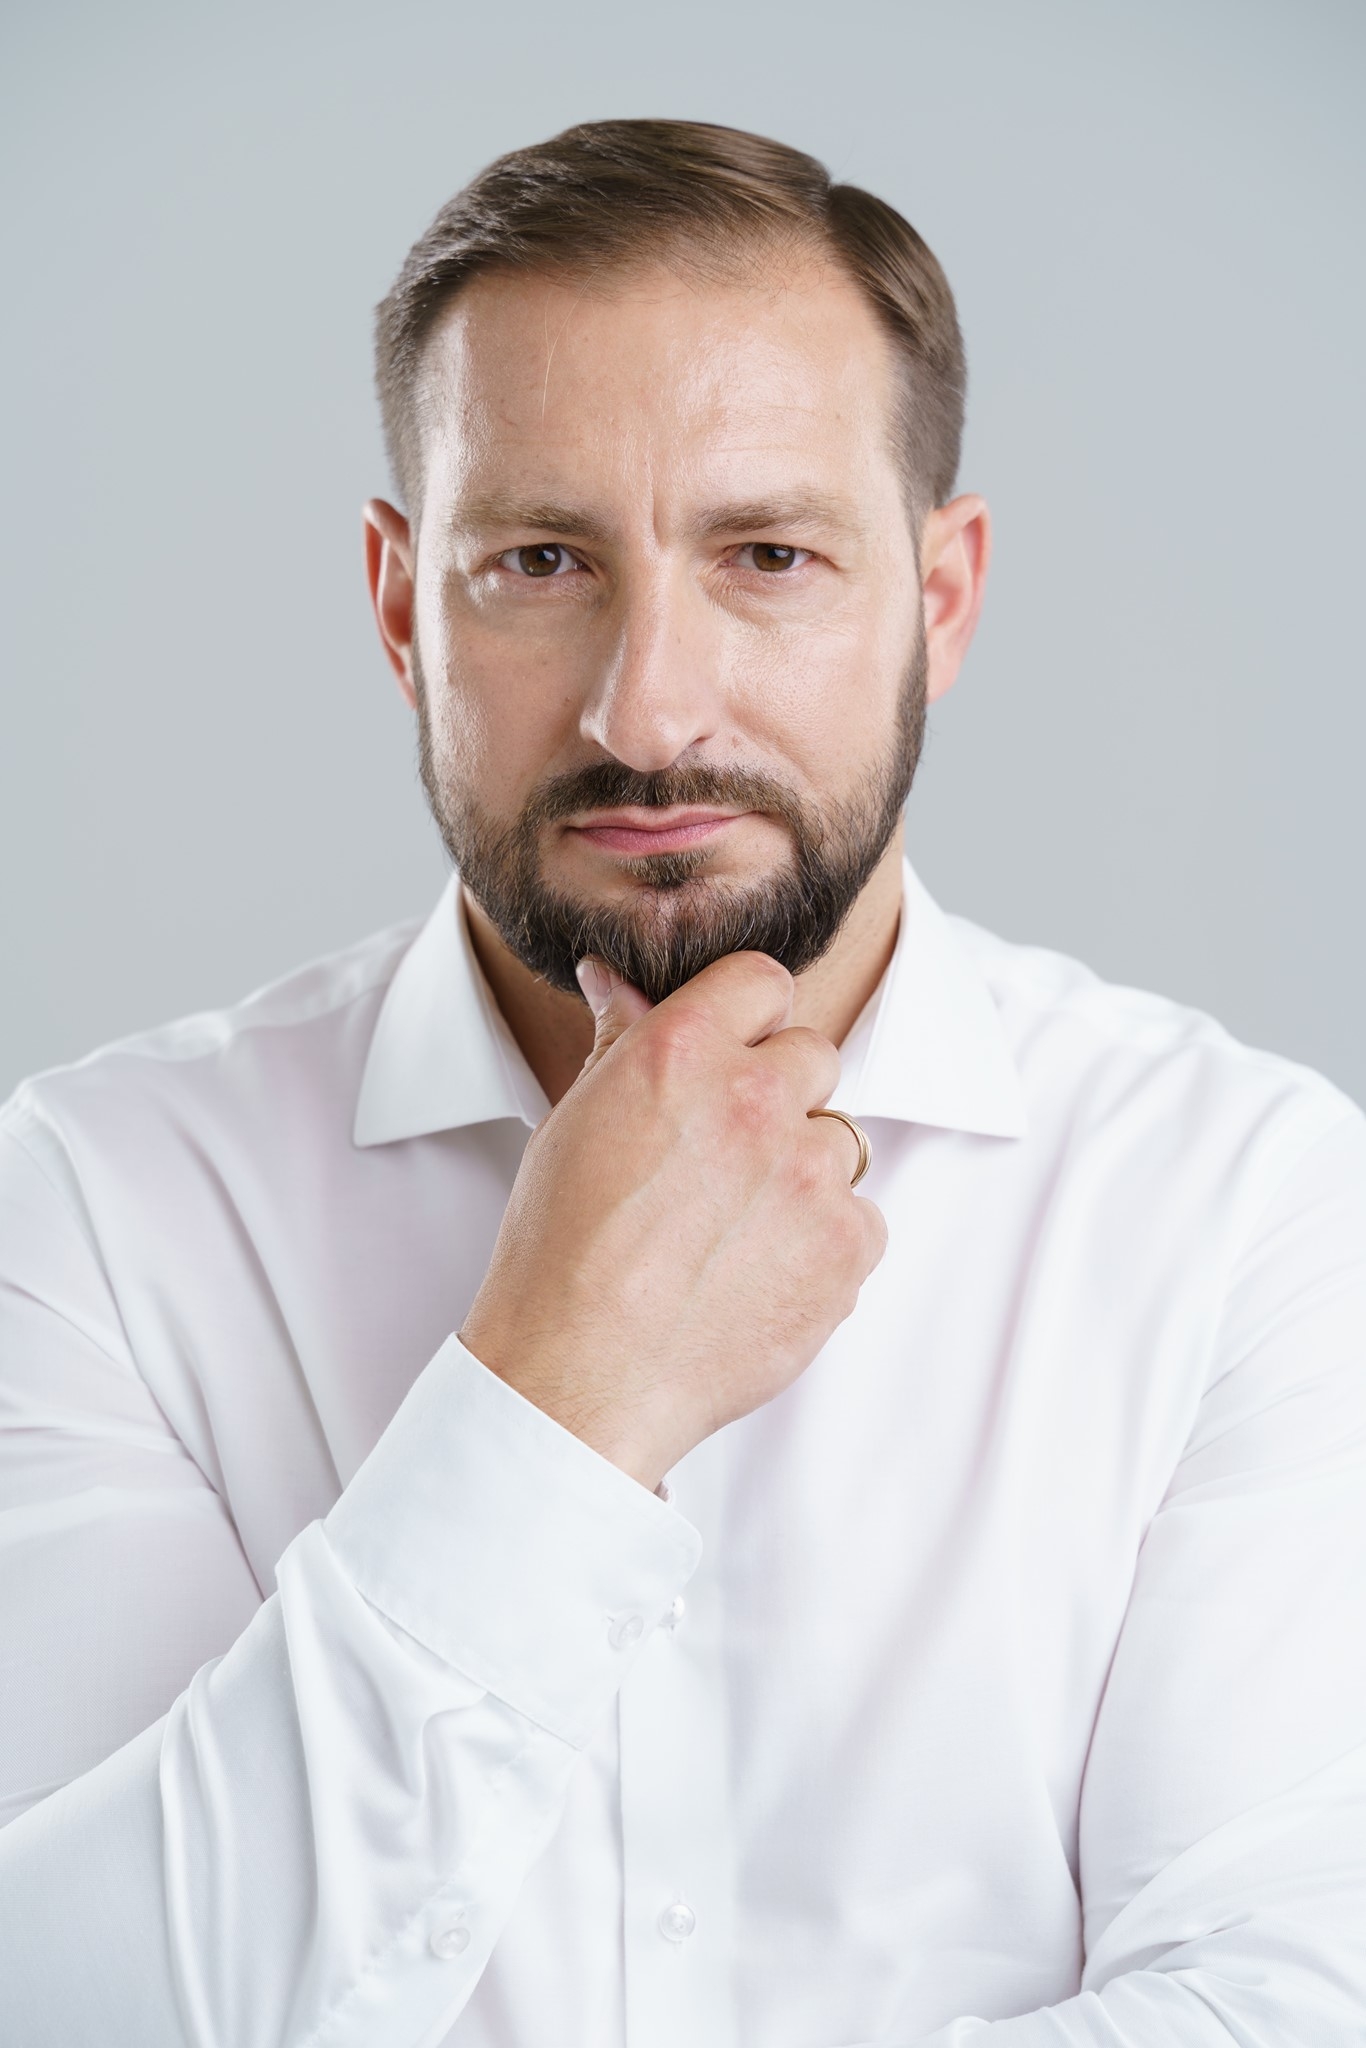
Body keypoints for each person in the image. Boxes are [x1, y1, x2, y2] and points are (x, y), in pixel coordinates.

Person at [0, 117, 1362, 2048]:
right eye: (539, 561)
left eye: (769, 556)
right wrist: (563, 1393)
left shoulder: (1246, 1207)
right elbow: (81, 2010)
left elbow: (1283, 2002)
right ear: (399, 608)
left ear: (940, 598)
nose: (647, 707)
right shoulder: (95, 1208)